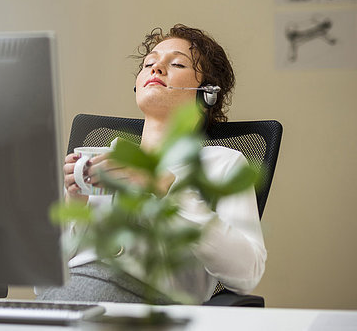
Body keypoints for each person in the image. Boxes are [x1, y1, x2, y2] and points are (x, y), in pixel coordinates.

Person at [38, 24, 266, 304]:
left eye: (177, 63)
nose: (156, 69)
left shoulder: (223, 164)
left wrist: (165, 189)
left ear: (206, 93)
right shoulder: (101, 159)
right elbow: (41, 283)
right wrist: (75, 202)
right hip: (62, 298)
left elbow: (248, 273)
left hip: (146, 305)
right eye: (149, 63)